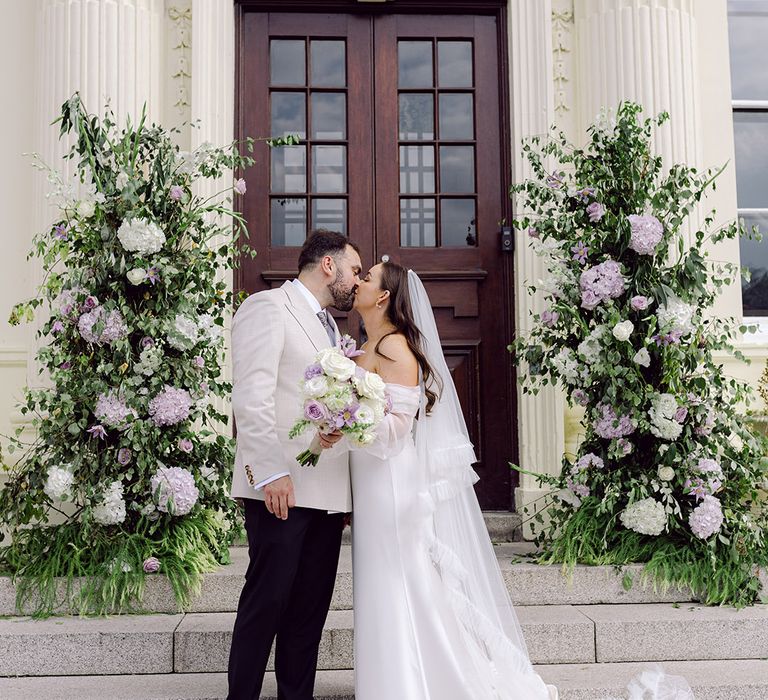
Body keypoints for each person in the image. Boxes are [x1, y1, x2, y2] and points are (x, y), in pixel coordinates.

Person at [346, 260, 558, 699]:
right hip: (369, 484)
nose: (358, 281)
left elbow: (396, 432)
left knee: (400, 582)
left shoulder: (395, 350)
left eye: (366, 278)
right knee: (379, 581)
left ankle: (418, 684)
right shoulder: (364, 346)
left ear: (383, 296)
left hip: (390, 485)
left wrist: (345, 424)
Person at [227, 230, 362, 700]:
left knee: (309, 613)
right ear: (329, 265)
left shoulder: (329, 326)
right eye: (355, 271)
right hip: (279, 488)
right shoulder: (268, 307)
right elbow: (251, 396)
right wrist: (268, 472)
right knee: (266, 602)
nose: (358, 282)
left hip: (325, 494)